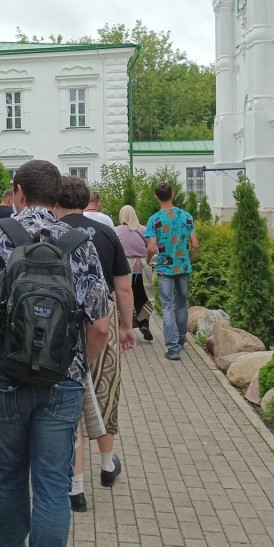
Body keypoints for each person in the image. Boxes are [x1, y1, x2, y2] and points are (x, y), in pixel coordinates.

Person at [0, 160, 112, 547]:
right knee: (51, 483)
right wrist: (83, 368)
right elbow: (100, 324)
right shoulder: (82, 241)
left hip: (5, 377)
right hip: (62, 380)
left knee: (8, 472)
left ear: (18, 191)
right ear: (57, 194)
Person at [57, 176, 137, 513]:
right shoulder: (106, 233)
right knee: (104, 390)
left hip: (59, 325)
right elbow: (124, 287)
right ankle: (107, 465)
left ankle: (75, 488)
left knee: (70, 396)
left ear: (57, 201)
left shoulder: (50, 233)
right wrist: (128, 326)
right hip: (101, 320)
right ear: (87, 199)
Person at [145, 183, 199, 361]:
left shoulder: (154, 220)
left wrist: (148, 260)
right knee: (182, 305)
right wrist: (188, 258)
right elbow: (195, 244)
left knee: (168, 306)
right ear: (173, 194)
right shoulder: (186, 217)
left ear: (156, 197)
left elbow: (152, 247)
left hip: (165, 268)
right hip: (183, 266)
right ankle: (182, 339)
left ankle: (173, 348)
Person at [115, 205, 155, 342]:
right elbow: (152, 248)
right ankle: (144, 324)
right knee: (142, 298)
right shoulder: (144, 230)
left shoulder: (116, 231)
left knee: (125, 299)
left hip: (126, 270)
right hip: (143, 269)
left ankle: (125, 327)